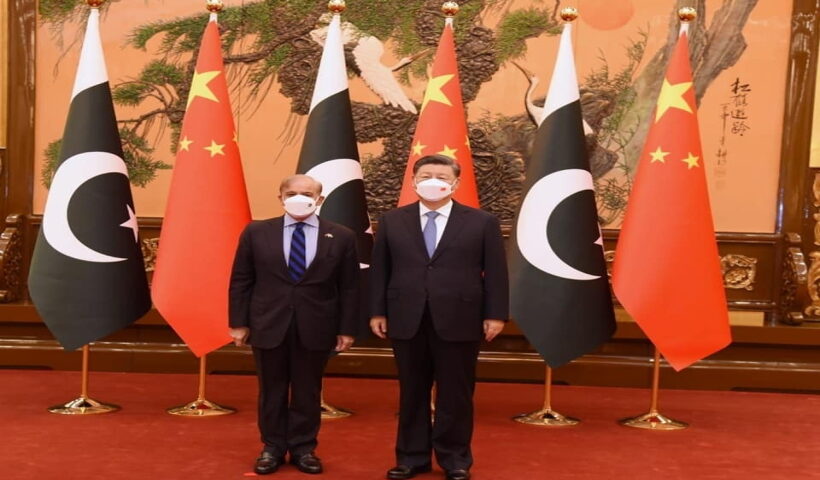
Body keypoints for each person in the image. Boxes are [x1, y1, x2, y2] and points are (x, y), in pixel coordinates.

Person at [369, 155, 509, 480]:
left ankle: (455, 459)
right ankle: (411, 457)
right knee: (412, 391)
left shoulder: (481, 221)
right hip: (406, 316)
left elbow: (497, 273)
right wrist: (377, 310)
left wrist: (496, 314)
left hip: (461, 317)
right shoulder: (392, 220)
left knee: (456, 393)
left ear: (455, 183)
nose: (433, 180)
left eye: (441, 175)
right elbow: (381, 271)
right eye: (426, 175)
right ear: (414, 181)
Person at [229, 174, 359, 475]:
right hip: (267, 323)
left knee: (307, 390)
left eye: (307, 193)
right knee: (271, 390)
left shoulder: (341, 236)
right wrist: (238, 322)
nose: (299, 198)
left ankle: (303, 448)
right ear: (281, 197)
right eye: (292, 192)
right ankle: (272, 448)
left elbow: (350, 287)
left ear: (320, 199)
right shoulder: (256, 232)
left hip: (317, 325)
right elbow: (241, 280)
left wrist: (347, 328)